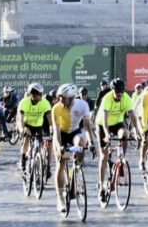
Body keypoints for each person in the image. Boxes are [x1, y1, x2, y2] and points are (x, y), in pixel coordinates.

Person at [50, 83, 94, 215]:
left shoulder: (82, 105)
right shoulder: (56, 108)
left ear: (72, 98)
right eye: (59, 98)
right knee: (61, 163)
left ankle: (76, 170)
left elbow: (87, 126)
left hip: (75, 132)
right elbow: (56, 132)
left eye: (64, 98)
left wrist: (91, 143)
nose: (61, 101)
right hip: (61, 134)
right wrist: (59, 147)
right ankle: (60, 197)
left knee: (81, 143)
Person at [95, 78, 135, 202]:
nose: (119, 94)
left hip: (117, 123)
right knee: (104, 156)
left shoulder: (126, 98)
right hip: (102, 124)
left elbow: (133, 117)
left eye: (121, 92)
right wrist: (107, 135)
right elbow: (105, 121)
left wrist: (138, 133)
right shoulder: (107, 98)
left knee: (125, 134)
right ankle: (101, 186)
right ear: (113, 90)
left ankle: (121, 159)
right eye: (117, 92)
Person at [17, 82, 52, 178]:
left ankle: (40, 163)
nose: (40, 97)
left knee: (40, 144)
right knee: (27, 138)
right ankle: (23, 160)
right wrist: (22, 130)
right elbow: (20, 120)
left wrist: (52, 131)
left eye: (41, 94)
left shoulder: (45, 103)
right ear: (32, 95)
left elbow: (50, 120)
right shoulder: (24, 102)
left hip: (38, 126)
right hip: (27, 124)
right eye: (37, 95)